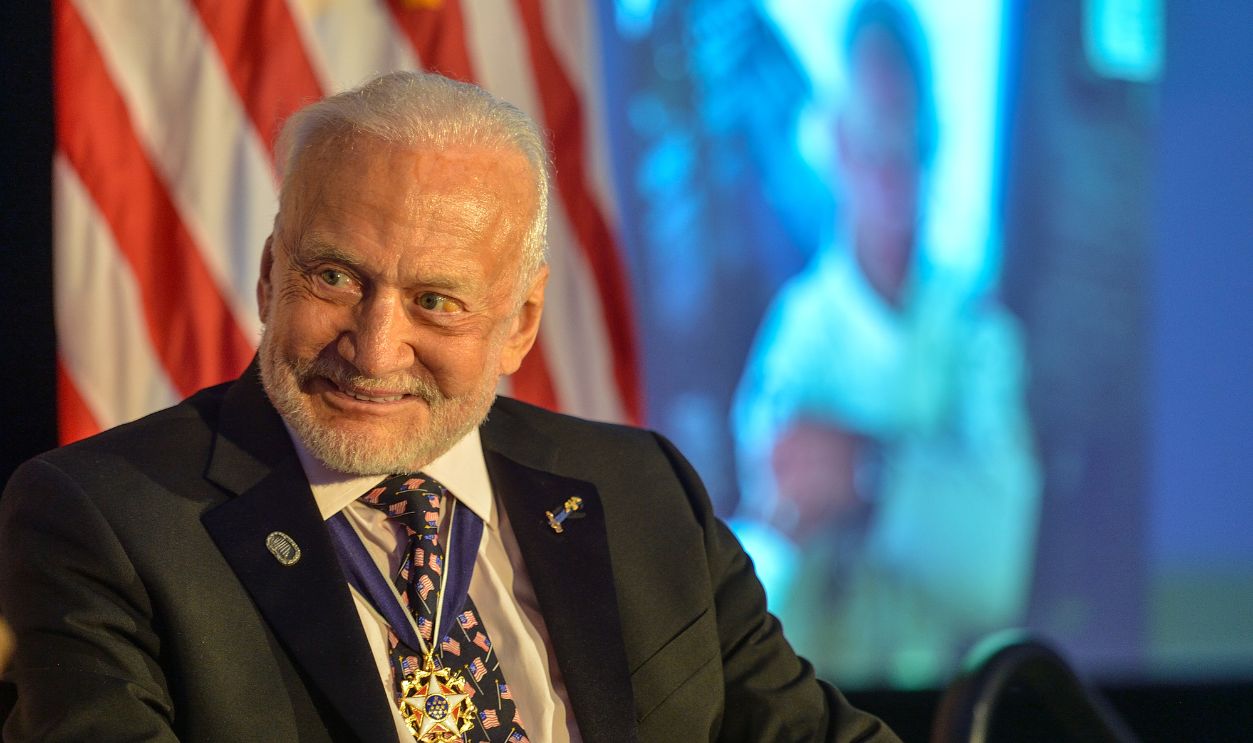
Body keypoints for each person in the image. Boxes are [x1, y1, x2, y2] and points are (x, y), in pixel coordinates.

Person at [0, 72, 898, 742]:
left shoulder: (638, 489)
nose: (375, 346)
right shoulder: (104, 521)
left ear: (521, 324)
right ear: (272, 274)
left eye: (436, 300)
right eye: (334, 277)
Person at [732, 0, 1040, 689]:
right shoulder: (797, 335)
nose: (894, 175)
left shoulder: (979, 333)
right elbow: (772, 536)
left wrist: (864, 472)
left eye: (911, 142)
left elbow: (997, 561)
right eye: (876, 144)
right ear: (839, 144)